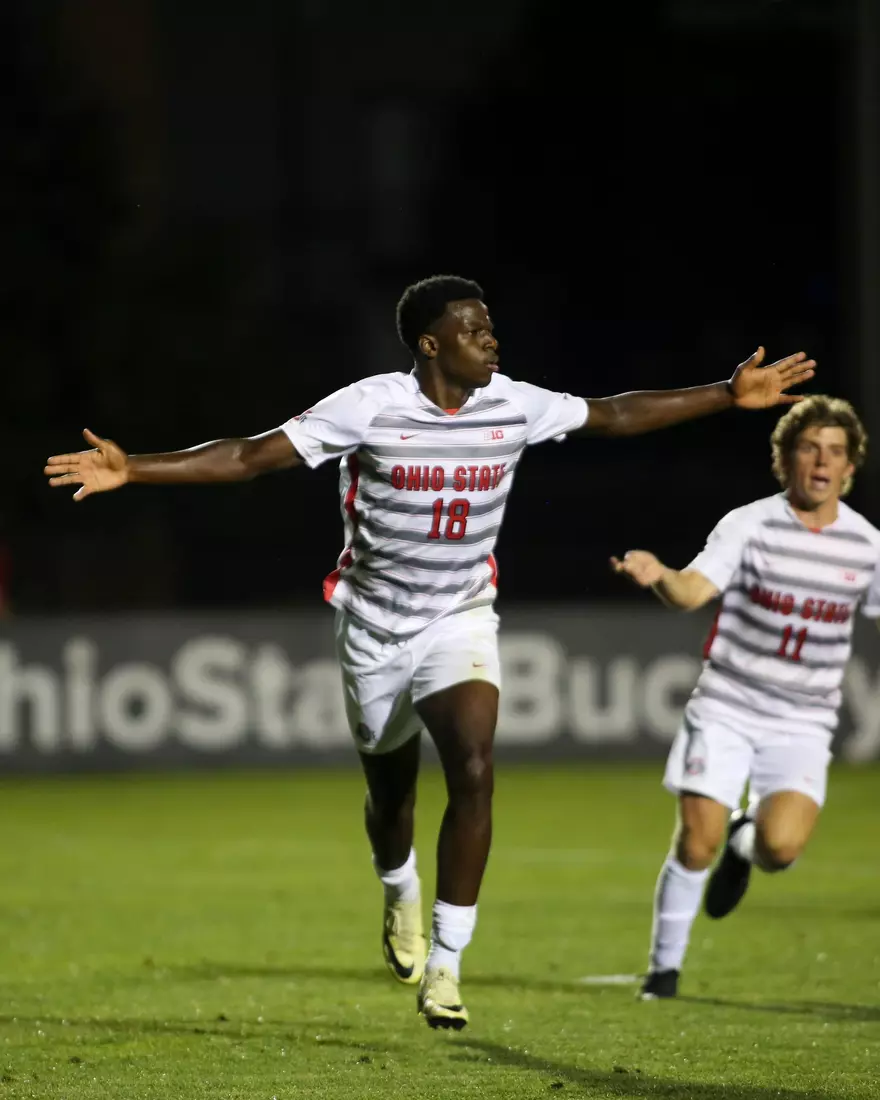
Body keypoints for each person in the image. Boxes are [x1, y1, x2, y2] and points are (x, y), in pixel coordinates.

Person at [44, 274, 815, 1029]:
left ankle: (447, 965)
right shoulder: (370, 406)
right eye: (475, 330)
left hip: (460, 618)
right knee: (391, 798)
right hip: (374, 626)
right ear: (430, 343)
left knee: (475, 767)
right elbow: (250, 457)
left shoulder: (512, 402)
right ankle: (398, 887)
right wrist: (134, 467)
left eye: (490, 326)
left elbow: (612, 414)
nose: (492, 340)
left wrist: (724, 393)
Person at [611, 394, 880, 1001]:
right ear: (784, 460)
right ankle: (663, 972)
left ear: (850, 469)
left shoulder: (866, 546)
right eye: (809, 448)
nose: (821, 461)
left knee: (780, 849)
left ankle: (745, 840)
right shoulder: (749, 523)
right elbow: (691, 592)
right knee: (694, 841)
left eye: (835, 452)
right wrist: (660, 577)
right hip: (728, 707)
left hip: (804, 722)